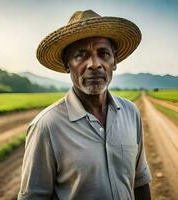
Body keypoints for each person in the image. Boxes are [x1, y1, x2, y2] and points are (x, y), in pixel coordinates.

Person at [18, 10, 152, 200]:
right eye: (81, 55)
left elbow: (139, 181)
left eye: (103, 53)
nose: (94, 64)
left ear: (114, 61)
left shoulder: (131, 112)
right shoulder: (47, 126)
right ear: (67, 64)